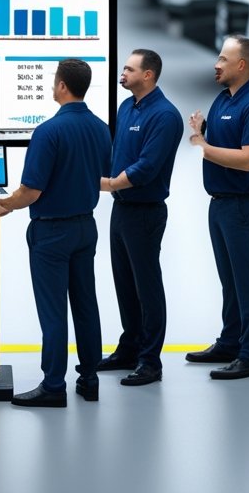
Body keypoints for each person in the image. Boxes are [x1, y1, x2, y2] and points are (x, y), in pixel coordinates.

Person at [0, 58, 111, 408]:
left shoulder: (48, 132)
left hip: (51, 235)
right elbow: (101, 176)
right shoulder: (101, 128)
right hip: (86, 228)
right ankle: (89, 379)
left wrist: (5, 205)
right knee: (86, 305)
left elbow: (31, 191)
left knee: (53, 311)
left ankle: (53, 385)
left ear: (61, 86)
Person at [186, 35, 249, 380]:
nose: (217, 64)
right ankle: (230, 342)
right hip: (219, 205)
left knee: (248, 283)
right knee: (230, 282)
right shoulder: (224, 100)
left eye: (224, 59)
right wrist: (204, 130)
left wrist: (202, 144)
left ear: (241, 65)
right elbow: (227, 139)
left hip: (241, 207)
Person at [97, 49, 182, 387]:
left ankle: (150, 361)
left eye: (129, 70)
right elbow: (117, 153)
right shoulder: (126, 107)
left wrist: (107, 184)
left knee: (146, 286)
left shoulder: (164, 116)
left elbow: (147, 167)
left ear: (148, 75)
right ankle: (129, 347)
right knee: (124, 283)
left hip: (145, 211)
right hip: (122, 209)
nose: (123, 74)